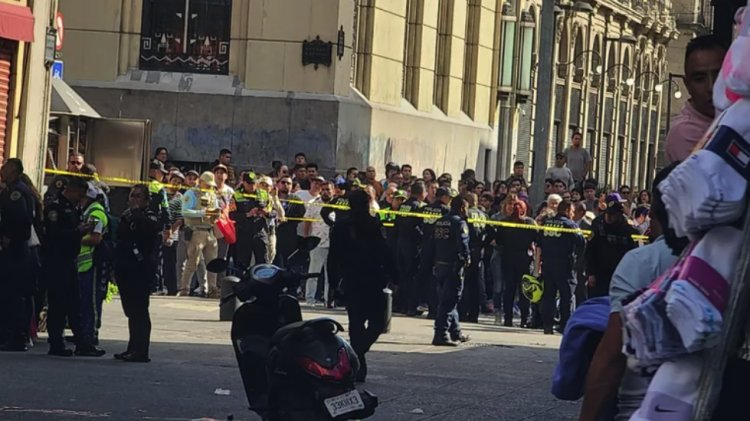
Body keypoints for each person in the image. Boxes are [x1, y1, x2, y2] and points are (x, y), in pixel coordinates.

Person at [580, 164, 688, 421]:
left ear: (655, 212)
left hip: (644, 408)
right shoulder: (732, 263)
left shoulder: (641, 262)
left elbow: (613, 354)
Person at [327, 189, 396, 383]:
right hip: (362, 279)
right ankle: (358, 358)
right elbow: (384, 251)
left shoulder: (368, 224)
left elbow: (384, 251)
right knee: (369, 323)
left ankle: (357, 354)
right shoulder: (350, 226)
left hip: (363, 279)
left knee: (367, 323)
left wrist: (333, 283)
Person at [43, 176, 105, 357]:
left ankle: (82, 343)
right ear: (73, 190)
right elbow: (54, 235)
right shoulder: (56, 207)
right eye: (81, 193)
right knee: (58, 303)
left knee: (74, 303)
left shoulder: (73, 207)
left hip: (70, 260)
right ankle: (56, 343)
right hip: (57, 261)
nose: (82, 198)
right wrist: (77, 232)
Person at [114, 184, 162, 363]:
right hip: (125, 268)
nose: (134, 199)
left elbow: (147, 232)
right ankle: (132, 347)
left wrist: (136, 213)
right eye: (132, 196)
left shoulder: (149, 216)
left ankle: (141, 350)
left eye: (138, 196)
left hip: (141, 270)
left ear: (146, 200)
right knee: (131, 310)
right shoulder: (126, 215)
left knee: (139, 310)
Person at [665, 35, 727, 163]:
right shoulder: (685, 134)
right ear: (687, 85)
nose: (711, 87)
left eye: (719, 75)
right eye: (700, 79)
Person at [0, 159, 35, 351]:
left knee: (13, 293)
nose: (1, 170)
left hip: (15, 250)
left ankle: (16, 336)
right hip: (17, 250)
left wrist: (8, 237)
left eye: (5, 167)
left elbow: (21, 220)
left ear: (13, 170)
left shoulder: (16, 192)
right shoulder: (13, 189)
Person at [535, 200, 585, 335]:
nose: (573, 214)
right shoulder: (570, 224)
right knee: (566, 296)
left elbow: (539, 242)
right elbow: (581, 242)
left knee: (548, 296)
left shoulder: (547, 223)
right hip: (565, 266)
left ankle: (547, 325)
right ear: (568, 210)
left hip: (548, 264)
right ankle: (564, 326)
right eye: (573, 211)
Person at [431, 195, 472, 346]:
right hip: (453, 267)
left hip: (439, 265)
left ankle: (455, 332)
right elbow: (462, 243)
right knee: (449, 301)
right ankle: (440, 334)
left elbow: (432, 243)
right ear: (462, 207)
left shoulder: (440, 221)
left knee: (448, 299)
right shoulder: (459, 223)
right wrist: (466, 258)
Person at [491, 196, 538, 327]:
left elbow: (498, 241)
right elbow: (537, 239)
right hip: (525, 259)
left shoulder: (505, 222)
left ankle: (508, 318)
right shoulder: (529, 223)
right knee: (524, 291)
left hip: (508, 258)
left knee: (509, 290)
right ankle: (524, 319)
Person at [584, 193, 638, 298]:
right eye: (607, 213)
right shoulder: (598, 224)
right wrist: (590, 273)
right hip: (599, 273)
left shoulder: (627, 229)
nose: (608, 217)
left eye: (612, 214)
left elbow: (633, 252)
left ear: (619, 215)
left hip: (619, 273)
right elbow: (590, 249)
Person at [77, 182, 110, 350]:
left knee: (91, 303)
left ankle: (90, 336)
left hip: (91, 264)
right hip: (84, 264)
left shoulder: (96, 213)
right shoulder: (88, 211)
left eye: (82, 197)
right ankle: (85, 333)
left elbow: (95, 238)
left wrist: (74, 239)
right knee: (85, 302)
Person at [179, 172, 221, 297]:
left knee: (213, 262)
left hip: (210, 230)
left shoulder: (212, 195)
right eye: (207, 184)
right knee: (192, 261)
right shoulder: (191, 193)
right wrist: (202, 213)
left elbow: (216, 209)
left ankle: (212, 289)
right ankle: (184, 289)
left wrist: (216, 215)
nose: (209, 187)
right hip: (196, 230)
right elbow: (185, 211)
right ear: (201, 182)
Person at [417, 187, 452, 318]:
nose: (449, 200)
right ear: (443, 197)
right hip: (438, 247)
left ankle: (425, 305)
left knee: (425, 277)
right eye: (448, 197)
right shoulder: (445, 210)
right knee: (436, 279)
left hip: (425, 245)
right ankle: (435, 308)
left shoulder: (425, 208)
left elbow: (417, 224)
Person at [394, 182, 426, 315]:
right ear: (421, 193)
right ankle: (411, 307)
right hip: (412, 244)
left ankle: (401, 305)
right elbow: (417, 225)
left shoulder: (403, 205)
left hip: (401, 242)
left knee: (403, 275)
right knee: (412, 276)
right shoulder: (417, 207)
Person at [303, 180, 335, 305]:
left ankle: (329, 301)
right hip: (316, 242)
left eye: (328, 189)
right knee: (313, 274)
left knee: (330, 275)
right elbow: (307, 222)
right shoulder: (314, 204)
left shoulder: (338, 205)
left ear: (333, 190)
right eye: (324, 190)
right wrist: (307, 239)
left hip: (333, 244)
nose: (326, 192)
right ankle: (310, 300)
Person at [458, 193, 488, 324]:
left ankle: (463, 312)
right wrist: (484, 243)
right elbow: (491, 231)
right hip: (478, 251)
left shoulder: (466, 214)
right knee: (476, 285)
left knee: (464, 283)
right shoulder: (483, 215)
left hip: (468, 249)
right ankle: (474, 314)